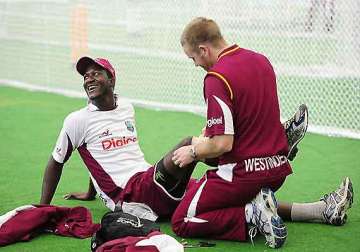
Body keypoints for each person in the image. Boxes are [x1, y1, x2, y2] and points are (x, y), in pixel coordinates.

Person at [40, 55, 306, 221]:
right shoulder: (76, 120)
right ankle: (267, 149)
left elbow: (100, 152)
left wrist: (90, 191)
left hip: (152, 182)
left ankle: (316, 211)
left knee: (223, 192)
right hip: (131, 196)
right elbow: (56, 162)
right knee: (190, 144)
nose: (89, 79)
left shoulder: (126, 107)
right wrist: (43, 208)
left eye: (96, 73)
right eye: (85, 76)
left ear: (112, 80)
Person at [170, 17, 353, 249]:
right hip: (275, 170)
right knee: (250, 196)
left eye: (193, 58)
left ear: (204, 50)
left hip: (242, 176)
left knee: (182, 220)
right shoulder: (261, 60)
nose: (195, 64)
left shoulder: (216, 78)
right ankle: (320, 209)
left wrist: (193, 152)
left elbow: (223, 144)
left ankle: (251, 215)